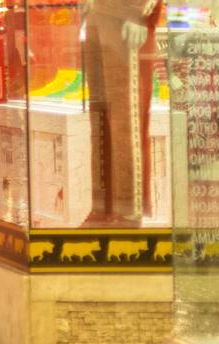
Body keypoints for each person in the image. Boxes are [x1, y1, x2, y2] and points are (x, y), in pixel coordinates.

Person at [83, 0, 164, 225]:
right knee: (99, 117)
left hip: (125, 17)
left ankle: (129, 209)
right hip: (96, 16)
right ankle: (103, 207)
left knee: (125, 117)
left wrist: (139, 12)